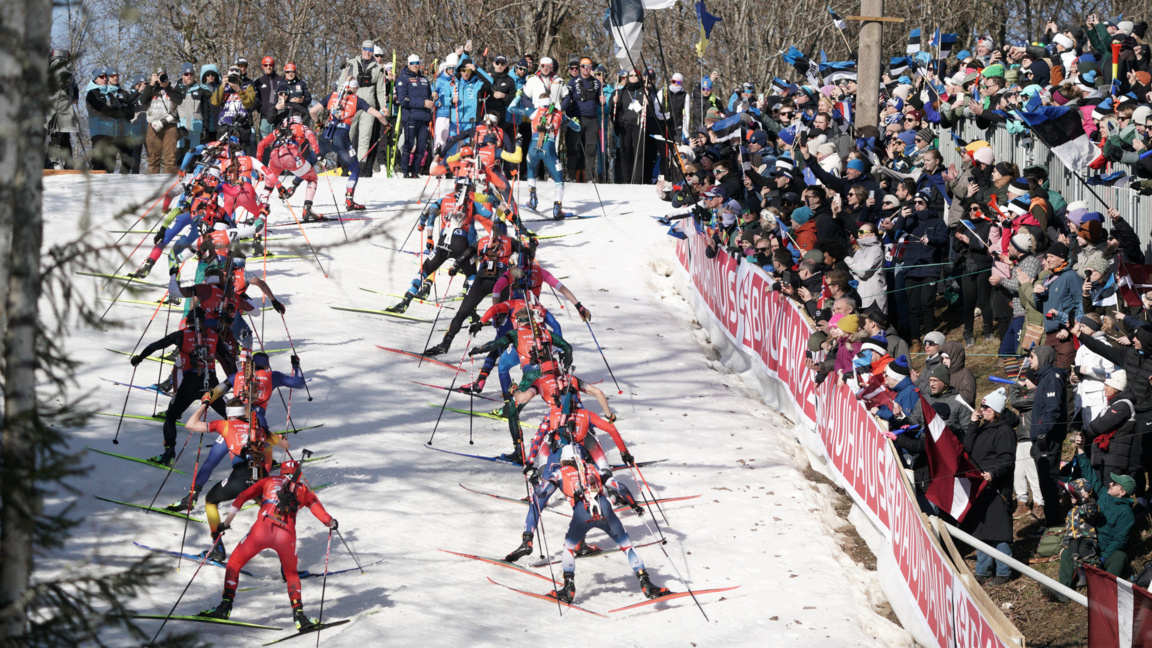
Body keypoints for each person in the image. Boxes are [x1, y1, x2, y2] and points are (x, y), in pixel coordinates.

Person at [198, 459, 337, 631]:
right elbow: (324, 518)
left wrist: (226, 523)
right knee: (291, 573)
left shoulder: (269, 480)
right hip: (286, 536)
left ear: (282, 471)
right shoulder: (304, 490)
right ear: (298, 474)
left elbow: (241, 497)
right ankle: (299, 616)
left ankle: (225, 606)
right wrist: (333, 524)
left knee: (234, 563)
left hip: (262, 530)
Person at [531, 445, 669, 603]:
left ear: (563, 461)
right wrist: (634, 506)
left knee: (569, 547)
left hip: (582, 513)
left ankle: (568, 588)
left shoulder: (559, 473)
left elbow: (542, 493)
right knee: (627, 546)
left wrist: (535, 481)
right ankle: (646, 583)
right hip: (605, 510)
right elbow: (620, 487)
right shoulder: (594, 469)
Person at [130, 307, 230, 465]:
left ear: (188, 321)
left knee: (171, 417)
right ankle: (246, 449)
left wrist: (139, 358)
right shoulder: (213, 335)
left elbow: (155, 346)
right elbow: (228, 359)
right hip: (211, 383)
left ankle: (168, 454)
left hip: (190, 383)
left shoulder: (181, 335)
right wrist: (236, 379)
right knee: (232, 416)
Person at [961, 388, 1018, 586]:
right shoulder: (984, 427)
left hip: (996, 487)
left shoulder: (1005, 431)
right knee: (982, 529)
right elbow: (966, 448)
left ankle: (1004, 570)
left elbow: (1008, 460)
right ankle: (983, 570)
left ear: (995, 410)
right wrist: (973, 424)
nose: (982, 410)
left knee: (998, 531)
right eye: (982, 406)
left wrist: (993, 473)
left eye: (986, 407)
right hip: (980, 486)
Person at [324, 78, 390, 210]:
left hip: (327, 136)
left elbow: (312, 111)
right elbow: (377, 114)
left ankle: (294, 189)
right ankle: (349, 199)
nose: (357, 90)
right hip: (342, 138)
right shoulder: (357, 100)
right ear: (353, 88)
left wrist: (319, 124)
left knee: (308, 164)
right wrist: (386, 124)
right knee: (355, 168)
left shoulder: (332, 96)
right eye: (356, 87)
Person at [339, 41, 390, 176]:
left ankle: (361, 167)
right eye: (365, 49)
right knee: (347, 135)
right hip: (351, 103)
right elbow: (341, 83)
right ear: (361, 50)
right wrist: (338, 100)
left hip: (368, 105)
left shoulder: (377, 68)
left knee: (365, 137)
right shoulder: (352, 64)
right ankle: (345, 166)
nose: (367, 52)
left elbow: (380, 90)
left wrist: (383, 107)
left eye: (370, 50)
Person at [563, 57, 602, 183]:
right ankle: (571, 176)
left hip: (592, 119)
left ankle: (589, 178)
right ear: (580, 67)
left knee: (590, 149)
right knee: (574, 147)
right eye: (583, 66)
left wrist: (603, 102)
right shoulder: (572, 82)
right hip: (576, 119)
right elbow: (566, 99)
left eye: (588, 66)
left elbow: (601, 103)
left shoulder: (597, 83)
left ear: (591, 68)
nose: (586, 68)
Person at [140, 67, 185, 174]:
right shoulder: (150, 88)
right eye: (158, 75)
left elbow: (179, 101)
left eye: (163, 75)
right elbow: (142, 101)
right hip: (153, 125)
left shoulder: (173, 86)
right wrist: (151, 84)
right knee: (153, 158)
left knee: (170, 157)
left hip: (171, 125)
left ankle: (169, 186)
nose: (161, 78)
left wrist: (167, 87)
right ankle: (152, 185)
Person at [396, 54, 433, 178]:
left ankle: (415, 172)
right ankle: (405, 171)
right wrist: (423, 103)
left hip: (424, 117)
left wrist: (433, 98)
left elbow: (429, 97)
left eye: (417, 63)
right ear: (408, 64)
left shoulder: (424, 79)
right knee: (408, 145)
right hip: (411, 117)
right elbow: (403, 100)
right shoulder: (403, 79)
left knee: (422, 147)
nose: (415, 65)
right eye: (412, 63)